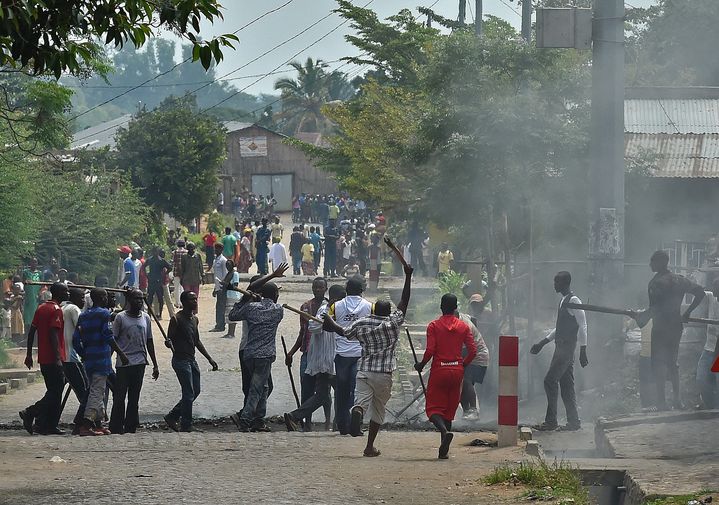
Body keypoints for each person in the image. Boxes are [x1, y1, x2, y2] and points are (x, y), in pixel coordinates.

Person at [320, 255, 413, 457]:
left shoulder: (362, 324)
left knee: (360, 401)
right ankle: (369, 446)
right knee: (378, 409)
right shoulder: (392, 324)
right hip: (384, 373)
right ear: (388, 312)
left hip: (365, 370)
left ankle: (358, 412)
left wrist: (328, 319)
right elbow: (404, 301)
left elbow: (342, 331)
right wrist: (408, 277)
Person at [630, 250, 705, 411]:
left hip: (661, 328)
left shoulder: (655, 283)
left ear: (660, 262)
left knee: (659, 364)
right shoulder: (679, 280)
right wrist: (687, 312)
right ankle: (677, 401)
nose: (650, 264)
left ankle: (661, 403)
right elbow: (700, 292)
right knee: (673, 363)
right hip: (676, 327)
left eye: (652, 261)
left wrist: (639, 318)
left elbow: (655, 309)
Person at [415, 293, 477, 459]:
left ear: (441, 307)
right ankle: (444, 450)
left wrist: (421, 365)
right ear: (456, 307)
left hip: (439, 371)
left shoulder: (434, 326)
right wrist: (463, 364)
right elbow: (473, 350)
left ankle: (444, 431)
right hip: (457, 372)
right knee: (449, 410)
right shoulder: (463, 326)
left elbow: (430, 350)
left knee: (433, 409)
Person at [228, 263, 289, 432]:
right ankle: (245, 419)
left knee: (264, 387)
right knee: (256, 389)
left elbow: (233, 315)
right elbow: (266, 296)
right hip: (265, 355)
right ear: (275, 295)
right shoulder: (278, 311)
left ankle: (259, 420)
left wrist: (245, 299)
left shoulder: (251, 309)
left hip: (249, 353)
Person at [530, 271, 588, 431]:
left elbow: (583, 325)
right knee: (566, 385)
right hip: (560, 347)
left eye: (557, 282)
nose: (555, 285)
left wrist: (583, 349)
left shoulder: (574, 300)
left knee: (550, 381)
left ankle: (551, 421)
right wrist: (543, 342)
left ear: (565, 283)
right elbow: (560, 327)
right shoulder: (564, 301)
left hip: (566, 349)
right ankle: (573, 422)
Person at [284, 283, 344, 432]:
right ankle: (338, 423)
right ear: (335, 298)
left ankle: (295, 416)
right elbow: (313, 327)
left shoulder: (340, 310)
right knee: (335, 393)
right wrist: (327, 322)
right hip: (326, 361)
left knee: (327, 395)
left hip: (335, 360)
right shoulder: (324, 311)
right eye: (342, 299)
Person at [73, 288, 129, 436]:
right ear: (101, 298)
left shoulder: (84, 316)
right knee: (97, 393)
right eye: (105, 296)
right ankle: (85, 425)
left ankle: (98, 424)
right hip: (101, 359)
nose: (107, 299)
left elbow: (75, 340)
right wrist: (121, 353)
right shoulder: (104, 314)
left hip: (89, 360)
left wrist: (84, 354)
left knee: (96, 388)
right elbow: (108, 335)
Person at [19, 282, 69, 435]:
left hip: (44, 358)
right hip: (53, 358)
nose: (68, 294)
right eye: (66, 291)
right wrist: (58, 358)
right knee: (55, 391)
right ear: (59, 293)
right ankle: (31, 412)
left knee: (53, 391)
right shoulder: (56, 310)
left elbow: (32, 331)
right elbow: (54, 334)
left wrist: (29, 354)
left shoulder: (41, 308)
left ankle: (48, 425)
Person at [164, 291, 218, 432]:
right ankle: (186, 425)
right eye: (192, 299)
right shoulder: (176, 319)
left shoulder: (195, 319)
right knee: (188, 393)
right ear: (184, 302)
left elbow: (197, 341)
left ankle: (173, 416)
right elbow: (169, 340)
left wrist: (209, 358)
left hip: (191, 359)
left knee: (195, 391)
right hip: (180, 360)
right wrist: (168, 343)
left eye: (196, 299)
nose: (195, 301)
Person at [109, 289, 159, 434]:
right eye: (136, 299)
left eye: (141, 299)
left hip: (140, 362)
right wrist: (115, 357)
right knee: (119, 396)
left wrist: (155, 364)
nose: (139, 302)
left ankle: (131, 426)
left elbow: (149, 341)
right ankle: (116, 426)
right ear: (129, 300)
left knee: (134, 397)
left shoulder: (146, 318)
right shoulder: (121, 318)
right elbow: (113, 339)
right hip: (124, 364)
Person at [330, 275, 372, 435]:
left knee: (341, 390)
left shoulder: (335, 306)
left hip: (341, 355)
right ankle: (356, 421)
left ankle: (342, 424)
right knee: (357, 391)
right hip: (360, 354)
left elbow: (328, 326)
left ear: (346, 291)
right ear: (362, 290)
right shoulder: (370, 306)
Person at [285, 277, 329, 429]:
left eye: (320, 287)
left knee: (324, 391)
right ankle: (306, 422)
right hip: (308, 354)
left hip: (324, 355)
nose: (317, 290)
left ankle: (328, 422)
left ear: (326, 289)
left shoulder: (331, 307)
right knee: (306, 389)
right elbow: (302, 333)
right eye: (315, 287)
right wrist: (291, 352)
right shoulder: (305, 307)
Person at [61, 287, 90, 434]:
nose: (83, 301)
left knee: (80, 391)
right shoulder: (73, 309)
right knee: (86, 392)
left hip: (65, 355)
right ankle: (80, 424)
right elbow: (83, 328)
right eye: (81, 298)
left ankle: (38, 416)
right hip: (73, 356)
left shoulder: (63, 307)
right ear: (74, 298)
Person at [457, 310, 489, 419]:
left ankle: (473, 410)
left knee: (466, 380)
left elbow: (469, 350)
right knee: (460, 383)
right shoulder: (461, 316)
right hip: (469, 354)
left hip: (478, 356)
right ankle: (466, 412)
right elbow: (473, 319)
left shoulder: (463, 325)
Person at [697, 279, 719, 409]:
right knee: (701, 378)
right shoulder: (711, 297)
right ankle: (711, 405)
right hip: (710, 346)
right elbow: (699, 292)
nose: (715, 292)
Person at [143, 247, 173, 320]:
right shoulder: (150, 260)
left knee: (160, 299)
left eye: (156, 251)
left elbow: (170, 267)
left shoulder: (161, 260)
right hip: (151, 281)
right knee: (150, 299)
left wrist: (164, 274)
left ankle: (160, 314)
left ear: (157, 252)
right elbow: (143, 267)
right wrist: (147, 275)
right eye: (153, 251)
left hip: (159, 281)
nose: (155, 253)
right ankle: (149, 314)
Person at [180, 242, 204, 310]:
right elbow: (182, 268)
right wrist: (181, 278)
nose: (191, 250)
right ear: (187, 249)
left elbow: (201, 266)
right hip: (186, 279)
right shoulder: (184, 257)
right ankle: (187, 310)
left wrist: (202, 276)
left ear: (194, 249)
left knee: (195, 296)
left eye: (192, 248)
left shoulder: (198, 256)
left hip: (196, 279)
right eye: (189, 248)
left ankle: (194, 310)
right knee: (187, 296)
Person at [210, 243, 228, 333]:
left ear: (221, 250)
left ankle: (220, 325)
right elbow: (216, 276)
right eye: (215, 249)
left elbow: (225, 275)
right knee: (218, 307)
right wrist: (215, 288)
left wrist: (222, 287)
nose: (215, 250)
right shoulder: (215, 260)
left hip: (222, 288)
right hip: (217, 287)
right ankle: (219, 324)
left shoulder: (223, 260)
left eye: (217, 249)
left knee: (221, 307)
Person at [221, 260, 240, 339]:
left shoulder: (235, 274)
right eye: (226, 265)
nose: (227, 266)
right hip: (228, 295)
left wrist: (226, 284)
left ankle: (232, 333)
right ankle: (229, 332)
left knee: (232, 314)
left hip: (233, 296)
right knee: (228, 315)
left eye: (229, 265)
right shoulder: (228, 274)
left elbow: (235, 285)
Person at [22, 257, 41, 331]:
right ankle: (26, 332)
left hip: (36, 296)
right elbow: (23, 282)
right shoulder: (26, 272)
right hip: (28, 296)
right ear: (30, 263)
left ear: (37, 263)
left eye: (35, 262)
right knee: (27, 315)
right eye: (32, 262)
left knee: (35, 313)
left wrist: (40, 293)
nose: (34, 263)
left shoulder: (39, 273)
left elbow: (42, 285)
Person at [171, 239, 188, 308]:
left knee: (176, 288)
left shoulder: (174, 252)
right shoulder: (186, 252)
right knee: (183, 288)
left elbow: (173, 262)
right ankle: (183, 303)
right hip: (184, 272)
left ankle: (177, 303)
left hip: (176, 272)